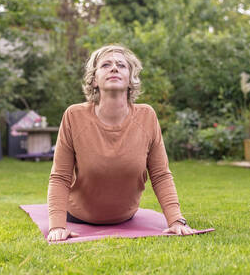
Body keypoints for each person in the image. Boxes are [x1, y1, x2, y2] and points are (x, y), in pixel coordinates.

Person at [47, 44, 194, 242]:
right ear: (94, 80)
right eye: (106, 65)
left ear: (131, 80)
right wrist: (57, 226)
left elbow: (160, 175)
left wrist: (176, 221)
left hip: (125, 217)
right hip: (78, 217)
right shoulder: (74, 116)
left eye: (121, 65)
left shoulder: (147, 116)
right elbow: (60, 176)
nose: (114, 68)